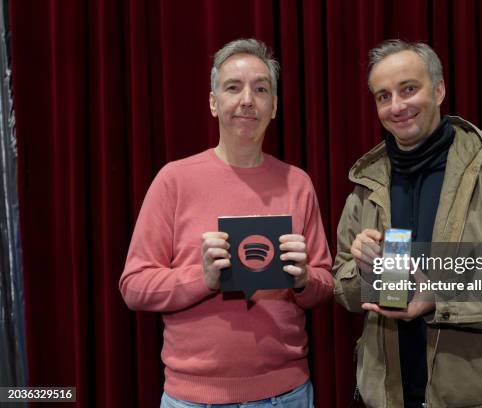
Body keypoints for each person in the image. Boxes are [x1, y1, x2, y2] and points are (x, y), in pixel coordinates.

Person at [333, 40, 482, 408]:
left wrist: (438, 297)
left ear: (439, 89)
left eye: (409, 89)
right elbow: (343, 290)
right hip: (386, 397)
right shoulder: (365, 186)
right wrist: (362, 273)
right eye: (383, 96)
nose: (397, 106)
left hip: (475, 399)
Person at [120, 38, 333, 408]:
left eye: (261, 89)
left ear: (275, 106)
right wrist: (201, 278)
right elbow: (134, 285)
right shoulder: (175, 180)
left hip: (287, 396)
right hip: (191, 399)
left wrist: (303, 279)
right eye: (233, 87)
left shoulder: (298, 183)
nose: (247, 99)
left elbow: (326, 284)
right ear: (214, 102)